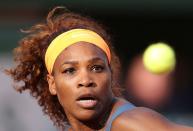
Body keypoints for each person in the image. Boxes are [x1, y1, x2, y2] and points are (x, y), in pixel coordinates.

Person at [7, 6, 193, 131]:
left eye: (96, 68)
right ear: (52, 83)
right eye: (70, 70)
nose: (86, 80)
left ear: (111, 76)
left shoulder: (128, 123)